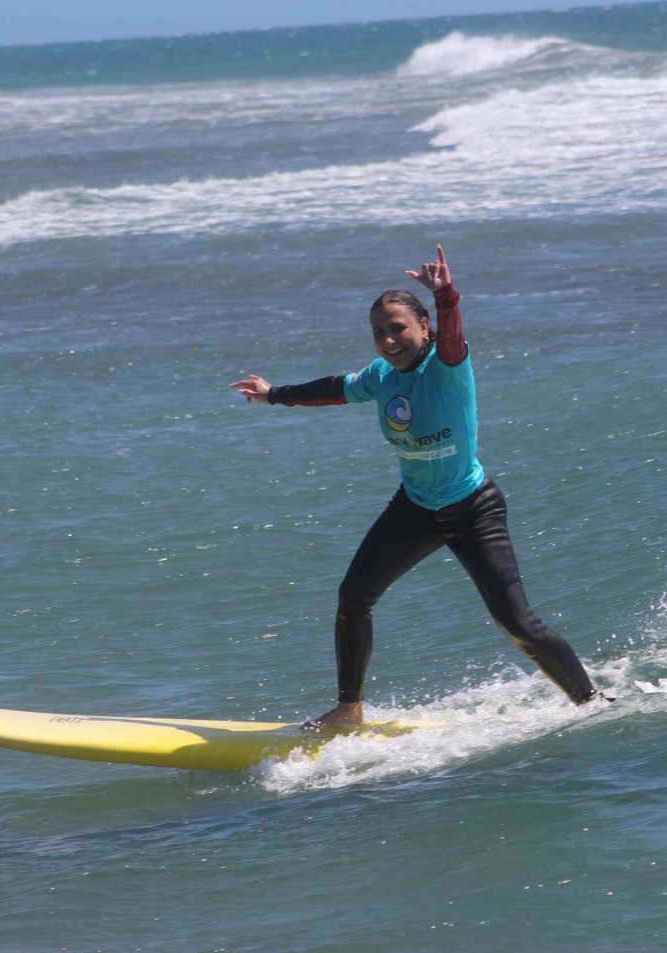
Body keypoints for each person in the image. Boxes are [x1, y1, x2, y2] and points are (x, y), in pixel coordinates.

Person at [230, 246, 606, 729]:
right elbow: (335, 388)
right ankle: (349, 710)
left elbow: (454, 338)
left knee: (518, 624)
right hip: (416, 510)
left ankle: (590, 703)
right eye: (379, 332)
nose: (388, 340)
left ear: (423, 328)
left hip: (474, 510)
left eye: (398, 328)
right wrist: (275, 395)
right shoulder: (381, 377)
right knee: (354, 597)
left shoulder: (447, 368)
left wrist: (446, 296)